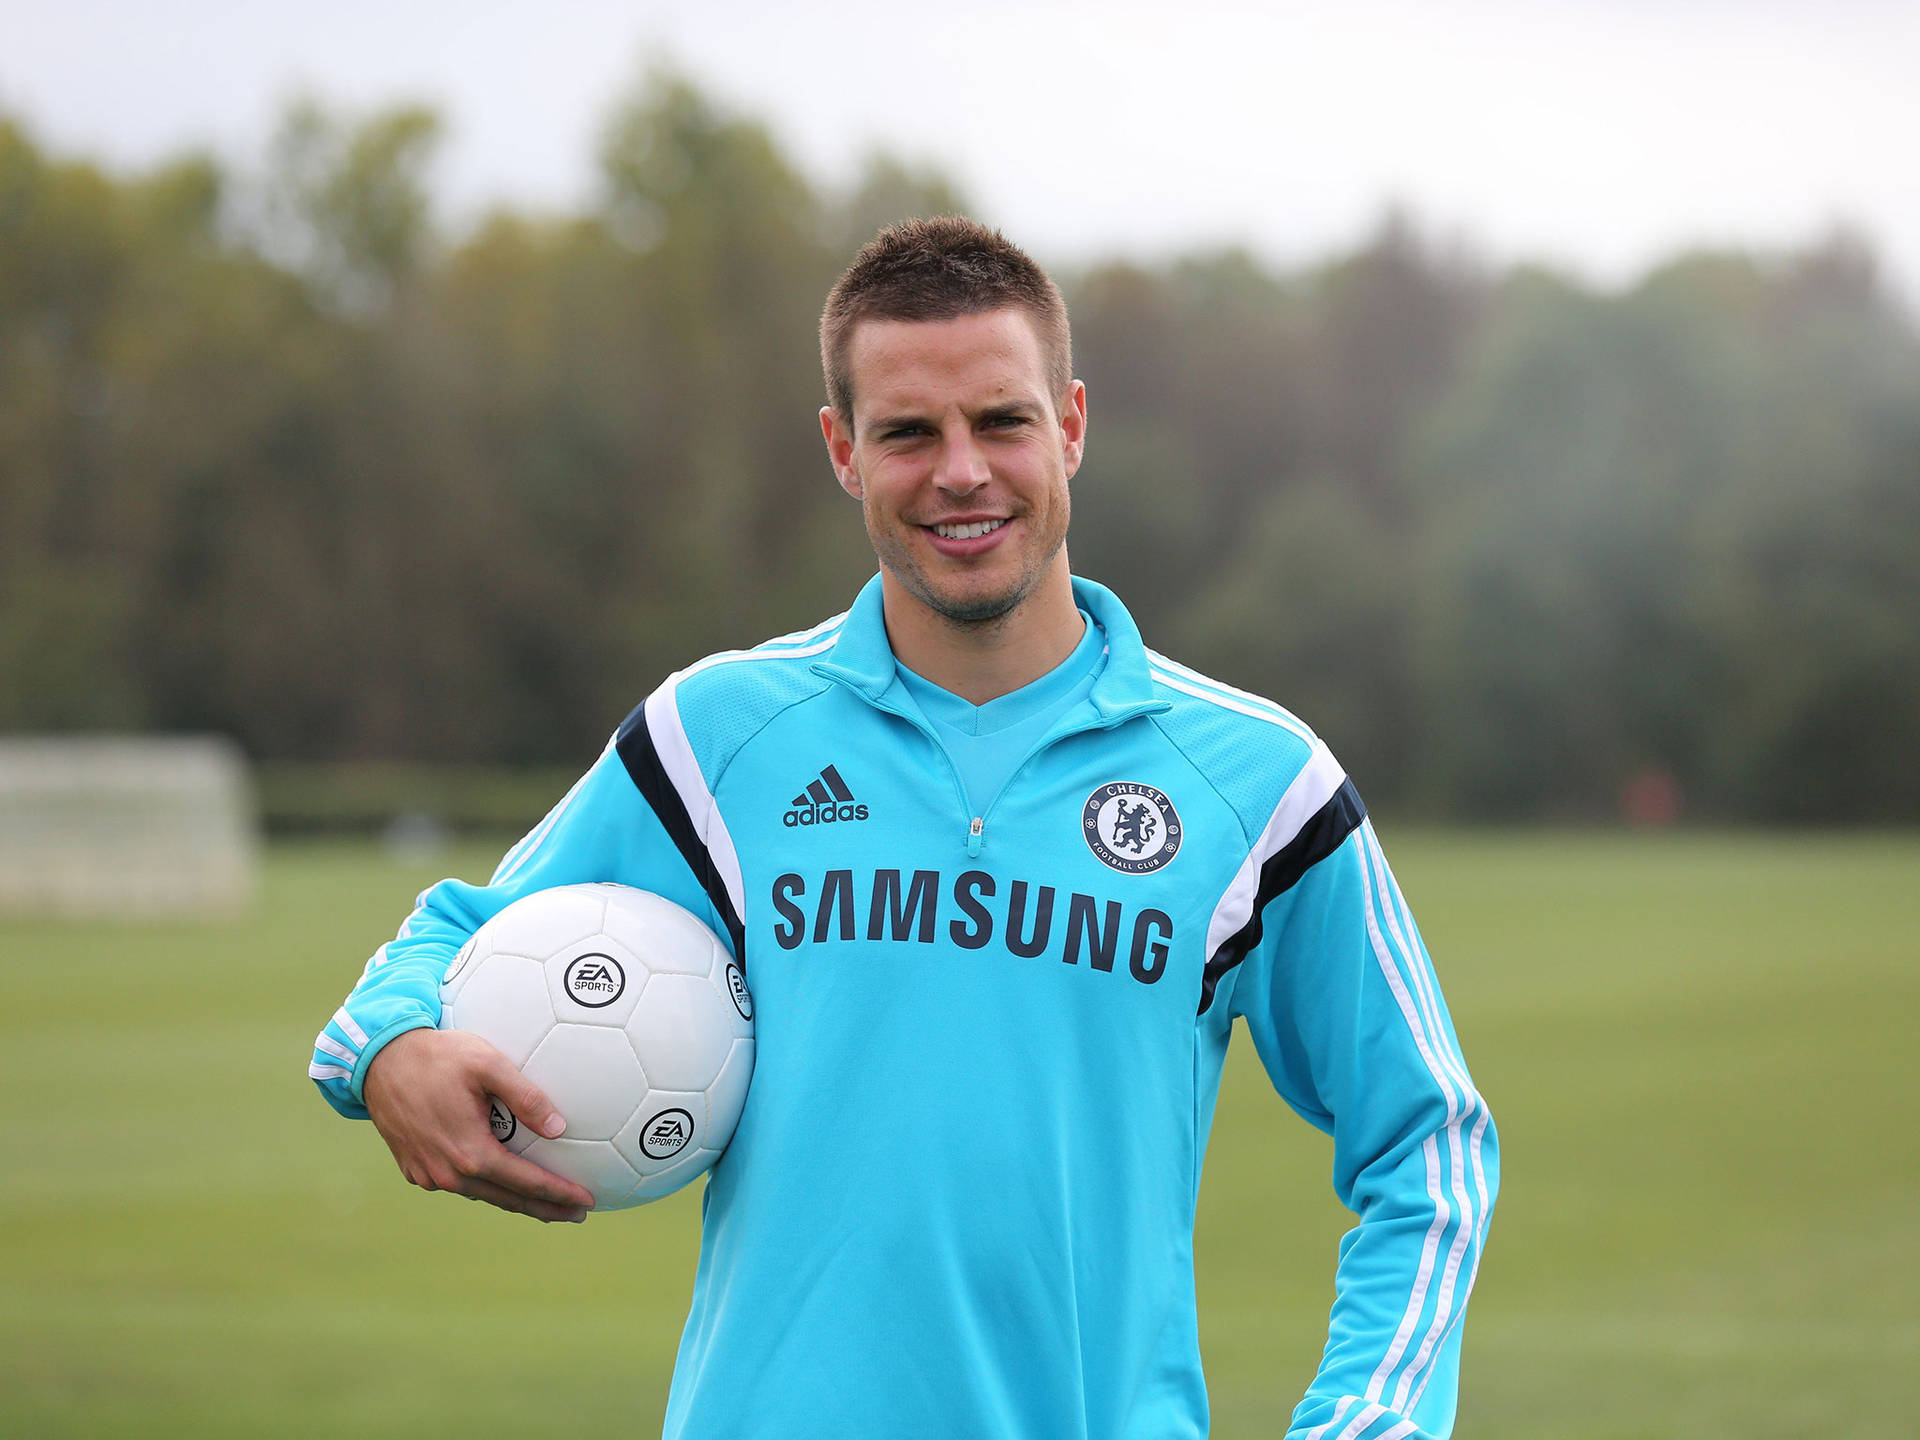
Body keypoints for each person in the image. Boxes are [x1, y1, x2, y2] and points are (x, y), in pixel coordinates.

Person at [309, 216, 1498, 1440]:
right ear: (842, 450)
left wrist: (1371, 1419)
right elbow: (465, 931)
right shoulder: (718, 737)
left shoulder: (1259, 780)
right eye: (909, 433)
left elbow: (1429, 1142)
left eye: (1002, 422)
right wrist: (390, 1049)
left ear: (1072, 425)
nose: (962, 472)